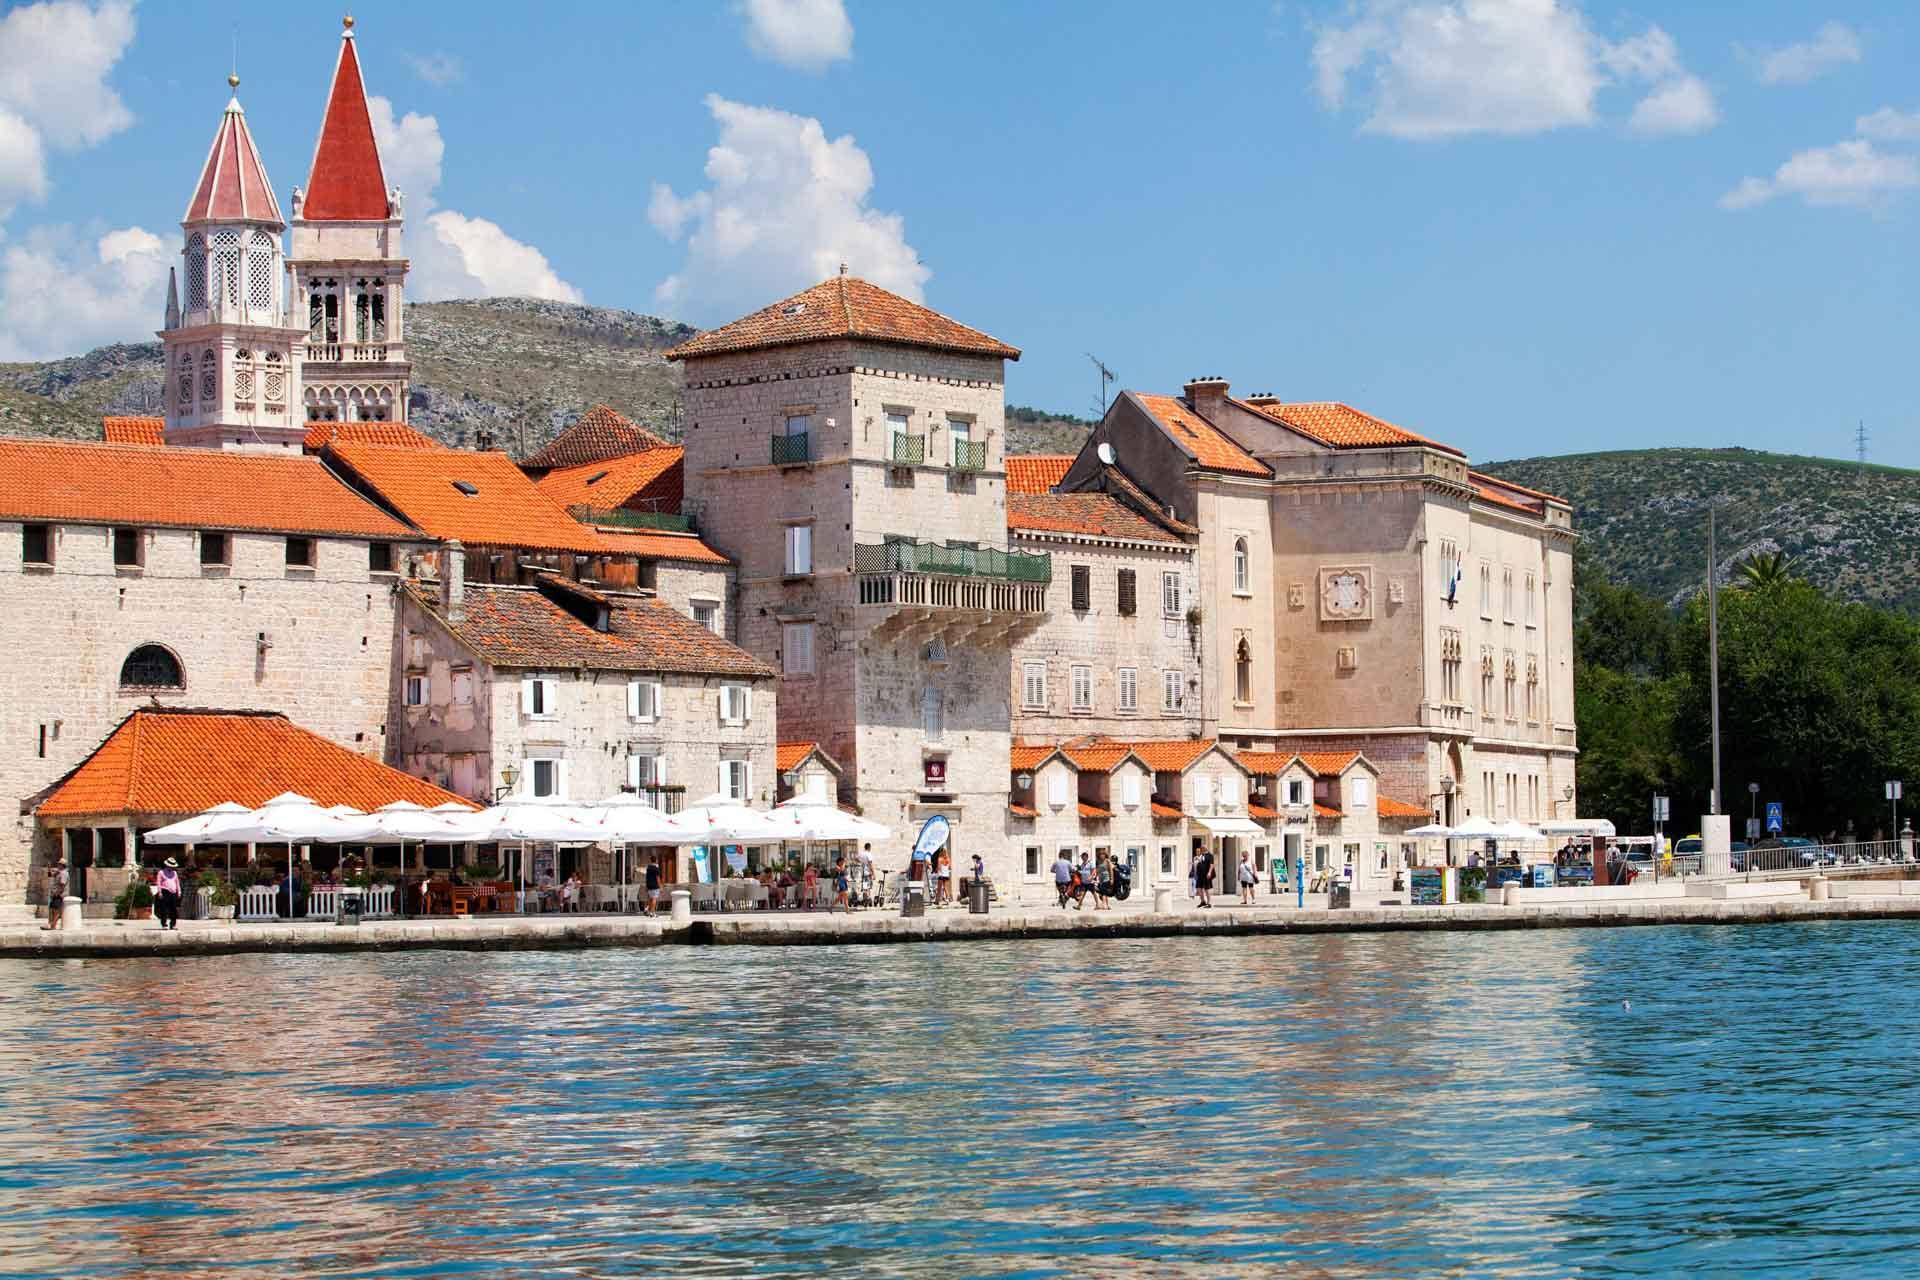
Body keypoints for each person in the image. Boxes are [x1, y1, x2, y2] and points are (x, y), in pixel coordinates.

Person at [154, 857, 183, 930]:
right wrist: (160, 892)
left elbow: (177, 883)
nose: (172, 867)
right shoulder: (161, 872)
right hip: (165, 891)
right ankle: (164, 924)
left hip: (173, 892)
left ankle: (173, 924)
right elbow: (158, 883)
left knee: (173, 909)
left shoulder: (174, 873)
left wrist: (179, 891)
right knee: (164, 909)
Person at [43, 860, 68, 931]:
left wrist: (57, 893)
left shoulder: (64, 873)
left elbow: (62, 885)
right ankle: (51, 924)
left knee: (56, 910)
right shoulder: (59, 872)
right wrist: (49, 868)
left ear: (62, 865)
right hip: (54, 893)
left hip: (59, 894)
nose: (58, 865)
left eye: (59, 864)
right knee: (52, 909)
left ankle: (53, 926)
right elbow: (50, 875)